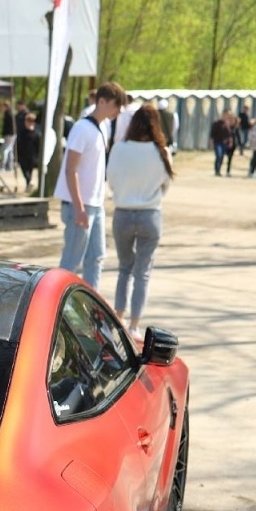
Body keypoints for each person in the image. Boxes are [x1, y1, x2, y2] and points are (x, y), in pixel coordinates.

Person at [106, 105, 174, 337]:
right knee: (143, 272)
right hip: (150, 214)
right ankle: (135, 325)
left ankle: (119, 318)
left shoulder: (119, 149)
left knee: (124, 268)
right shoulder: (161, 151)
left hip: (123, 213)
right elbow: (165, 186)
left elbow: (111, 180)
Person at [56, 82, 126, 290]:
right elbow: (71, 169)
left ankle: (91, 303)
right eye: (115, 105)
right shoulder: (81, 128)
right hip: (79, 205)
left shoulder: (102, 127)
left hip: (95, 203)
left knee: (96, 257)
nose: (118, 111)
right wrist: (79, 208)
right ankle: (58, 304)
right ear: (101, 101)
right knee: (71, 261)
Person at [15, 109, 40, 192]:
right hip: (22, 154)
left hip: (32, 155)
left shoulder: (36, 134)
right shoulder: (22, 132)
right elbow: (18, 143)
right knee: (24, 169)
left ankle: (28, 183)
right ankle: (29, 182)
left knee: (30, 170)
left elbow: (38, 145)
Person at [209, 111, 233, 177]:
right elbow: (212, 134)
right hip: (217, 142)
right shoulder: (216, 123)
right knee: (218, 156)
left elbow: (229, 134)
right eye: (225, 115)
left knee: (222, 157)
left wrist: (230, 142)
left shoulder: (226, 124)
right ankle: (216, 170)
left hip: (224, 143)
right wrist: (211, 142)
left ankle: (219, 170)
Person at [0, 102, 16, 171]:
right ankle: (10, 166)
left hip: (9, 134)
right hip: (12, 134)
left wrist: (4, 132)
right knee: (10, 150)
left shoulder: (8, 114)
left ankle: (3, 165)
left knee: (5, 149)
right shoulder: (11, 113)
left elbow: (7, 126)